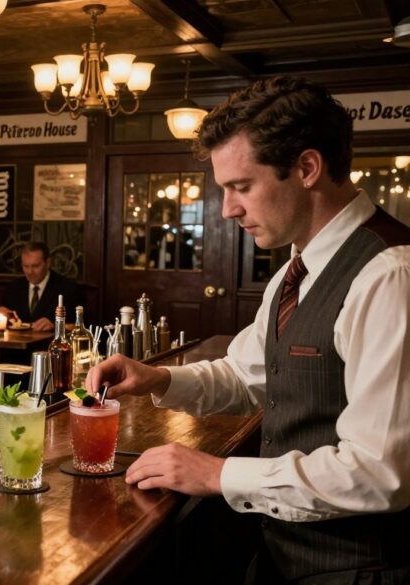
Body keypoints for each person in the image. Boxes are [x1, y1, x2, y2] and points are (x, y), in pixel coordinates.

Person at [87, 76, 410, 584]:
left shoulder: (389, 275)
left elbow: (380, 472)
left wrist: (217, 474)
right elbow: (247, 375)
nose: (227, 210)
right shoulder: (294, 271)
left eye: (241, 187)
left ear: (307, 168)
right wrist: (159, 379)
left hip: (361, 568)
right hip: (284, 553)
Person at [0, 242, 83, 332]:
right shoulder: (13, 288)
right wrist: (0, 315)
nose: (30, 272)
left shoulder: (68, 289)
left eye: (35, 266)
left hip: (50, 344)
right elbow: (5, 318)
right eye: (26, 266)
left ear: (48, 263)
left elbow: (80, 326)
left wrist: (55, 326)